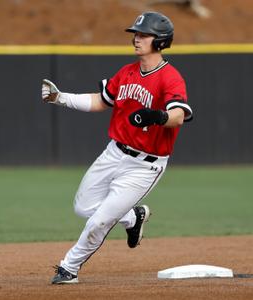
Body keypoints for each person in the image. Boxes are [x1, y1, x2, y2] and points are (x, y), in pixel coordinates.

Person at [41, 11, 193, 284]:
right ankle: (133, 218)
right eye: (136, 33)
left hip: (145, 165)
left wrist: (155, 115)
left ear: (160, 41)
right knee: (83, 207)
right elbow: (101, 101)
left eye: (143, 34)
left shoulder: (170, 78)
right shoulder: (126, 72)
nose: (136, 39)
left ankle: (68, 268)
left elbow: (179, 115)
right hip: (114, 152)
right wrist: (60, 98)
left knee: (99, 221)